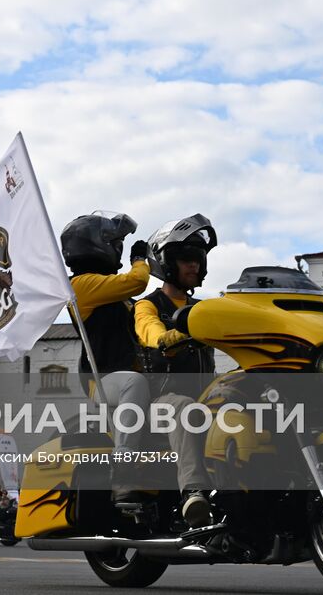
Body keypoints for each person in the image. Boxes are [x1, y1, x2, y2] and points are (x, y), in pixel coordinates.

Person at [61, 211, 152, 509]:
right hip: (102, 379)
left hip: (122, 374)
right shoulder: (81, 286)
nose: (119, 249)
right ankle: (123, 466)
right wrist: (140, 259)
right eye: (116, 243)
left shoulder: (111, 292)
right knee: (133, 384)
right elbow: (138, 281)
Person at [132, 214, 218, 529]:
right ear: (167, 263)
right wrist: (174, 336)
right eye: (186, 259)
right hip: (159, 401)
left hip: (205, 398)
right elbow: (151, 335)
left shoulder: (204, 308)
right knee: (181, 407)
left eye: (199, 258)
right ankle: (194, 493)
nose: (194, 265)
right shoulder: (147, 306)